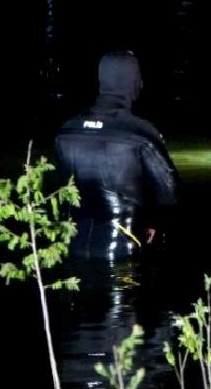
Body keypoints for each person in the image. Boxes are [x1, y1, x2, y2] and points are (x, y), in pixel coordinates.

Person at [52, 51, 180, 259]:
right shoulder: (140, 132)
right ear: (133, 82)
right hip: (123, 251)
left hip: (71, 248)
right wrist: (153, 223)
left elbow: (57, 190)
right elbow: (170, 194)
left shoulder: (67, 130)